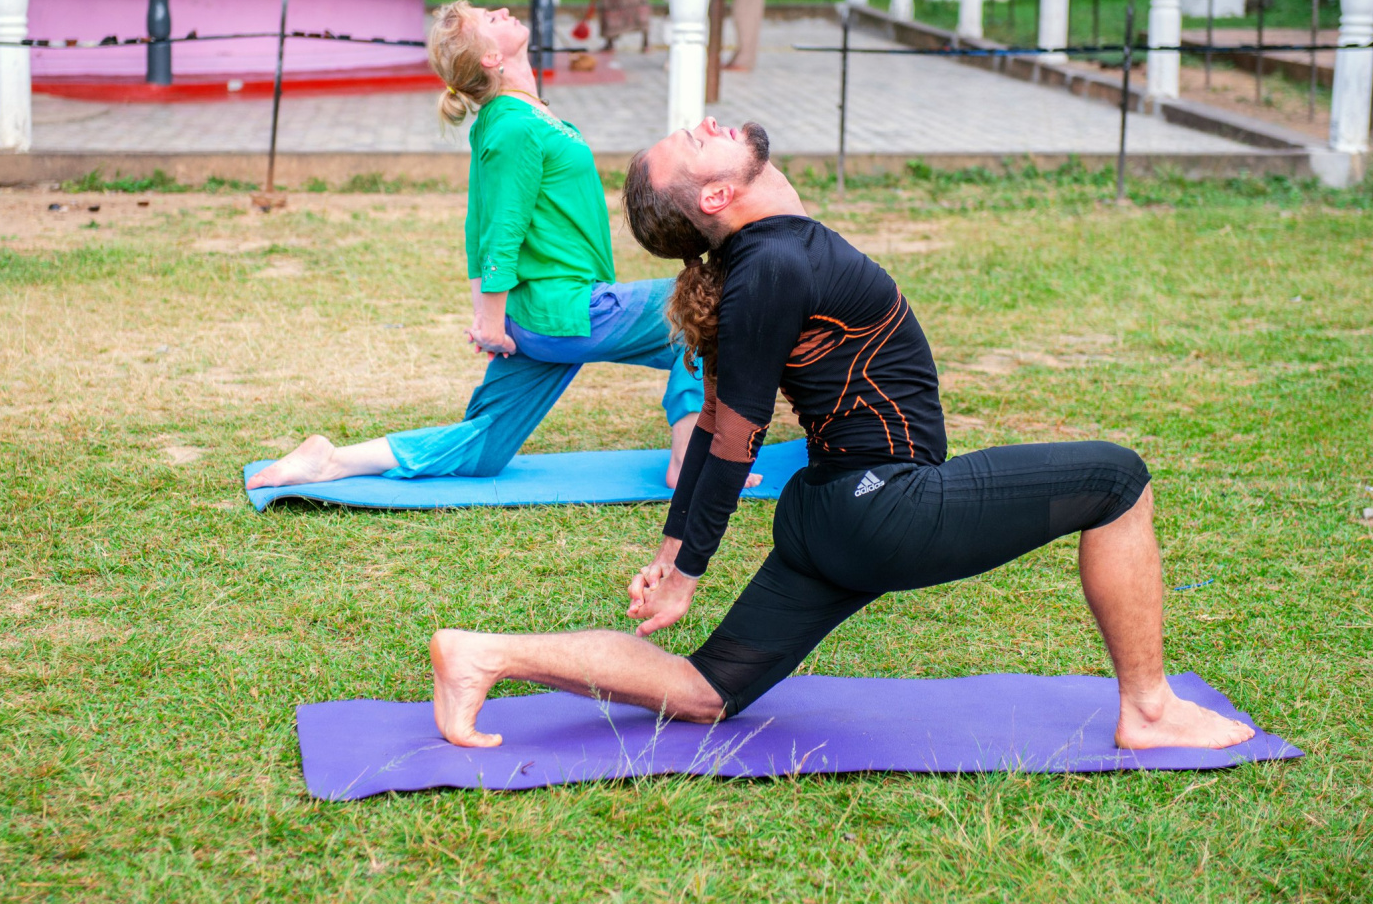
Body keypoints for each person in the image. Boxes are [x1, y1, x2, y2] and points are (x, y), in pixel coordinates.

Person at [428, 116, 1259, 753]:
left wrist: (675, 544)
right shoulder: (771, 268)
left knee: (706, 690)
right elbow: (732, 438)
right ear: (713, 197)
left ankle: (484, 653)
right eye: (695, 141)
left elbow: (712, 422)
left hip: (834, 512)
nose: (708, 122)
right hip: (885, 506)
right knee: (1117, 479)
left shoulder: (758, 265)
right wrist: (684, 570)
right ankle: (1149, 709)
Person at [249, 3, 749, 492]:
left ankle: (331, 461)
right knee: (707, 312)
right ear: (491, 57)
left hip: (544, 314)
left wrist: (488, 316)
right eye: (491, 18)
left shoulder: (513, 117)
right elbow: (498, 234)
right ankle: (689, 458)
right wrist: (489, 320)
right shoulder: (513, 125)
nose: (504, 11)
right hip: (565, 309)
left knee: (485, 446)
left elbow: (477, 223)